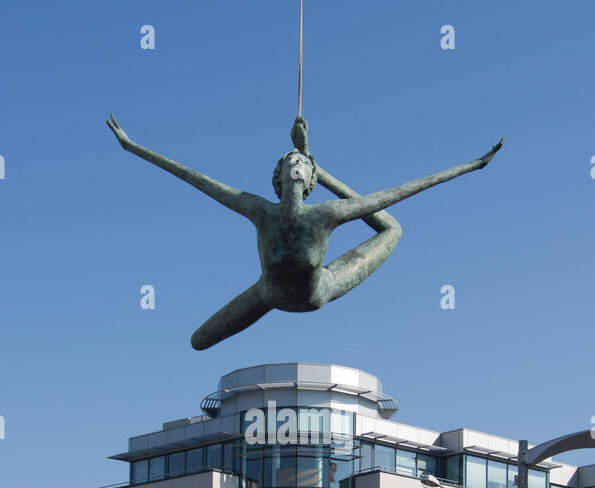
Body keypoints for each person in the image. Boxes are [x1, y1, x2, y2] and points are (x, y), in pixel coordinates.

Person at [106, 114, 502, 350]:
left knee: (392, 228)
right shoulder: (258, 209)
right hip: (267, 295)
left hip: (319, 291)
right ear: (277, 177)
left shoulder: (326, 214)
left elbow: (401, 191)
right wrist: (131, 146)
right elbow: (196, 178)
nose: (293, 162)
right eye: (289, 161)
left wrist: (472, 165)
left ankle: (325, 168)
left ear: (308, 176)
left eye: (301, 162)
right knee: (198, 341)